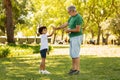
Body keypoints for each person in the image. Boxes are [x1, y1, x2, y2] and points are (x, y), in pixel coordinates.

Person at [54, 5, 83, 75]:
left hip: (77, 37)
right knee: (72, 54)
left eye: (68, 12)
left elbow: (78, 29)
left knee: (75, 53)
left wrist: (69, 30)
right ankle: (73, 68)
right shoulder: (71, 17)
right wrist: (57, 28)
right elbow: (65, 24)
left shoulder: (78, 17)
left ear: (73, 11)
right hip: (72, 37)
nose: (68, 13)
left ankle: (77, 69)